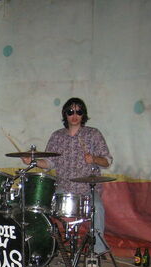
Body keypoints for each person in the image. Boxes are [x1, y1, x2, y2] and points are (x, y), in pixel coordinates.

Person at [23, 97, 113, 255]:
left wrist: (94, 159)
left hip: (87, 188)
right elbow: (50, 163)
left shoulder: (93, 134)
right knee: (41, 206)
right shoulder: (57, 136)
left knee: (97, 209)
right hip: (63, 187)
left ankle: (97, 252)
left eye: (79, 111)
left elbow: (107, 161)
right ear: (65, 114)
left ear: (83, 114)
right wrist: (33, 161)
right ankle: (44, 247)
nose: (75, 115)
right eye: (71, 111)